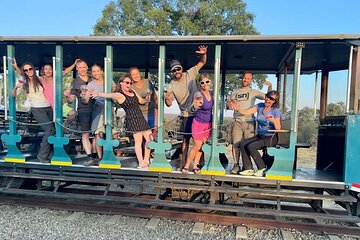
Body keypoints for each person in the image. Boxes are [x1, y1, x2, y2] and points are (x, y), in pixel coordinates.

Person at [90, 75, 152, 169]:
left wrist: (147, 98)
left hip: (141, 117)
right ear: (121, 83)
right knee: (138, 141)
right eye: (127, 83)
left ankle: (146, 160)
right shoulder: (120, 95)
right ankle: (141, 162)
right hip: (133, 119)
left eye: (130, 83)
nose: (129, 85)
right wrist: (98, 93)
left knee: (149, 139)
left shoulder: (133, 91)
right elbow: (109, 95)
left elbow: (141, 101)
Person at [164, 45, 208, 169]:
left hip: (199, 114)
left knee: (199, 141)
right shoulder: (171, 85)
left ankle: (199, 164)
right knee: (185, 140)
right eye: (174, 70)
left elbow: (202, 61)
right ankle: (183, 164)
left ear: (181, 68)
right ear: (171, 72)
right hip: (186, 115)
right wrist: (167, 98)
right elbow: (169, 104)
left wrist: (203, 53)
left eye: (178, 69)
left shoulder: (190, 73)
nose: (177, 71)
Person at [227, 71, 272, 174]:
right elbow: (229, 105)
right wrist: (230, 105)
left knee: (248, 144)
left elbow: (268, 97)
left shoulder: (253, 91)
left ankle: (247, 167)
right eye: (244, 78)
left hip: (249, 122)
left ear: (251, 80)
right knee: (236, 144)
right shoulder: (235, 92)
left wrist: (270, 86)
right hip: (237, 121)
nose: (245, 80)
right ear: (242, 78)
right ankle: (236, 165)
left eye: (248, 78)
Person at [11, 62, 55, 163]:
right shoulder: (24, 82)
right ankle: (42, 155)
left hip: (48, 108)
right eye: (26, 70)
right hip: (37, 109)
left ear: (33, 69)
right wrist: (16, 87)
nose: (28, 71)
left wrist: (17, 67)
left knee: (53, 131)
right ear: (24, 72)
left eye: (30, 69)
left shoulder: (40, 79)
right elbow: (13, 95)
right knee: (49, 130)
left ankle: (50, 154)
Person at [233, 90, 281, 177]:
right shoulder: (260, 106)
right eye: (267, 97)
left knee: (251, 146)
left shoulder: (275, 111)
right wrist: (238, 109)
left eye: (271, 99)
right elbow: (248, 112)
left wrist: (273, 120)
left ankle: (262, 168)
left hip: (270, 137)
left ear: (274, 101)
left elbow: (278, 128)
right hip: (260, 136)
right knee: (243, 144)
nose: (268, 100)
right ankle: (248, 169)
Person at [182, 73, 213, 174]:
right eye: (202, 82)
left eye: (207, 81)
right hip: (198, 123)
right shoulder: (199, 94)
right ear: (200, 84)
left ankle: (195, 165)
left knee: (201, 146)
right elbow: (195, 105)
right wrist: (196, 106)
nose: (205, 84)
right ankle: (187, 165)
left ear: (210, 82)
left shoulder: (212, 94)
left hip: (208, 124)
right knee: (196, 146)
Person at [66, 59, 95, 166]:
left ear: (87, 67)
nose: (82, 69)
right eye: (80, 67)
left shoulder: (93, 79)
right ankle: (90, 156)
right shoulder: (75, 82)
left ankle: (97, 155)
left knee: (98, 133)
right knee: (85, 133)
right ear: (77, 69)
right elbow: (71, 100)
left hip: (96, 107)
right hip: (83, 109)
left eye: (84, 67)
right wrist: (67, 95)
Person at [129, 67, 158, 137]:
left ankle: (150, 148)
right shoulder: (131, 87)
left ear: (140, 73)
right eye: (133, 74)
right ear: (130, 76)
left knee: (153, 135)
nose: (136, 76)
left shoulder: (147, 82)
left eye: (137, 73)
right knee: (143, 137)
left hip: (151, 113)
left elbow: (155, 97)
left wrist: (157, 112)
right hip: (140, 116)